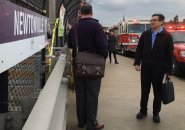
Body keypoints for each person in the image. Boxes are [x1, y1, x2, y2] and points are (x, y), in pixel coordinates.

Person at [68, 3, 108, 130]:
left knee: (80, 94)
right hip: (94, 67)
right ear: (92, 12)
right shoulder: (96, 26)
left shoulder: (75, 27)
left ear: (80, 13)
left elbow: (70, 45)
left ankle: (81, 122)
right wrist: (103, 56)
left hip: (78, 65)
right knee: (92, 95)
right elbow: (102, 47)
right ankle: (92, 124)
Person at [134, 14, 174, 123]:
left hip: (159, 69)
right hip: (146, 68)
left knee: (158, 92)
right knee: (145, 91)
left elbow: (169, 55)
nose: (152, 22)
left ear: (161, 22)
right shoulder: (145, 34)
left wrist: (169, 71)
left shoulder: (167, 36)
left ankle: (156, 113)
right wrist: (137, 62)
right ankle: (143, 111)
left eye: (155, 20)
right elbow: (139, 49)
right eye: (151, 20)